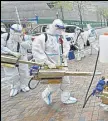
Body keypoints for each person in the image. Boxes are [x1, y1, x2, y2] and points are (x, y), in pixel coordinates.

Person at [32, 19, 77, 105]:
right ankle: (45, 94)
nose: (61, 31)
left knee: (66, 82)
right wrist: (47, 62)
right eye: (59, 29)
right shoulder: (43, 37)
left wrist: (65, 53)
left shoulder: (61, 36)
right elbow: (37, 51)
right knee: (54, 84)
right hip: (51, 66)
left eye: (62, 29)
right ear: (53, 27)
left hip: (62, 64)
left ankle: (65, 98)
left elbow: (66, 46)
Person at [1, 24, 32, 97]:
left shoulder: (25, 37)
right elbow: (1, 46)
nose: (17, 34)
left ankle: (24, 85)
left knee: (24, 72)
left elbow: (29, 46)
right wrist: (11, 52)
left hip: (22, 56)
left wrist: (21, 41)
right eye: (15, 32)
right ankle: (14, 87)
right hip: (10, 57)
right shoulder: (6, 36)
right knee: (12, 74)